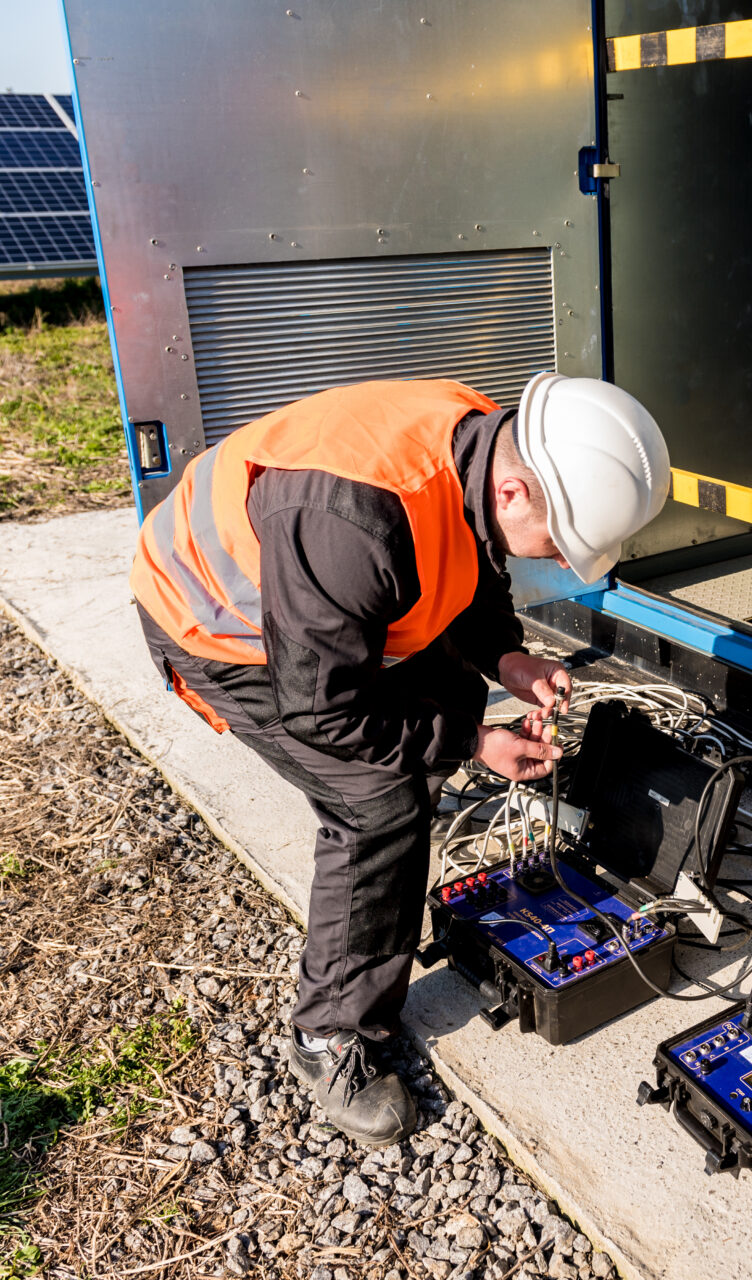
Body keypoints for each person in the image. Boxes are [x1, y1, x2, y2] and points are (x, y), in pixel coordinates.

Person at [130, 372, 670, 1146]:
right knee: (378, 801)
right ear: (518, 491)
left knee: (448, 701)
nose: (557, 558)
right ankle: (330, 1037)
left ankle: (392, 871)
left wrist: (506, 658)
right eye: (560, 543)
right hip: (218, 627)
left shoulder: (484, 441)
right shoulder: (349, 524)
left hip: (320, 604)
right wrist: (469, 744)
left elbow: (471, 556)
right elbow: (323, 711)